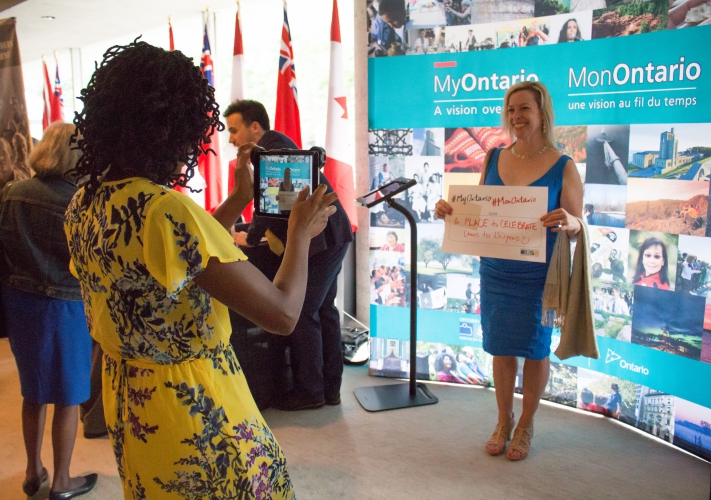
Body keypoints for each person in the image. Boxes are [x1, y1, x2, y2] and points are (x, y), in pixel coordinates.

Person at [65, 41, 339, 499]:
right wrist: (300, 232)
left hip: (134, 400)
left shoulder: (86, 202)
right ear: (171, 128)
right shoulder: (166, 209)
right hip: (197, 405)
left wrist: (236, 201)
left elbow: (178, 255)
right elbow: (283, 313)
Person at [435, 81, 584, 461]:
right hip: (496, 272)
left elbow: (579, 224)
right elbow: (483, 209)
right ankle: (503, 420)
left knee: (536, 350)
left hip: (540, 277)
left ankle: (526, 424)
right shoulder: (492, 157)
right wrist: (452, 212)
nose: (517, 117)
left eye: (525, 109)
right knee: (501, 349)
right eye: (512, 110)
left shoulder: (565, 167)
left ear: (542, 112)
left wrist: (569, 220)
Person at [225, 99, 353, 411]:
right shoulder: (272, 147)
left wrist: (250, 237)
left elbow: (274, 198)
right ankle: (328, 388)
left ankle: (310, 393)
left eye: (234, 130)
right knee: (323, 310)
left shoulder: (272, 148)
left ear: (255, 127)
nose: (230, 139)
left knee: (303, 313)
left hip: (322, 237)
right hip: (330, 234)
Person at [0, 122, 97, 499]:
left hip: (19, 302)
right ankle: (62, 481)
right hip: (66, 305)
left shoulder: (12, 193)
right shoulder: (79, 200)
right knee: (69, 396)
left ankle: (31, 472)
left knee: (33, 391)